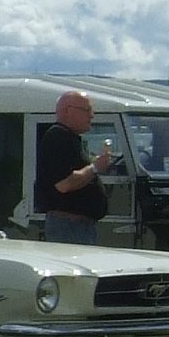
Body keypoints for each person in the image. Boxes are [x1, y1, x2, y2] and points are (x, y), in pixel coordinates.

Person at [34, 89, 112, 244]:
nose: (91, 115)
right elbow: (64, 184)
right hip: (69, 227)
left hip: (78, 226)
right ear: (68, 110)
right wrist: (95, 168)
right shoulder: (58, 137)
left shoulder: (70, 138)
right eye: (87, 110)